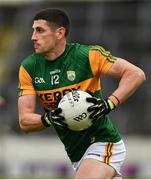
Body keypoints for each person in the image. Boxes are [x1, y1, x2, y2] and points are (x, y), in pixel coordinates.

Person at [18, 8, 145, 179]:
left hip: (103, 141)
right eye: (33, 30)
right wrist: (48, 118)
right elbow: (24, 121)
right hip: (77, 154)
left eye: (40, 30)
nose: (33, 37)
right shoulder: (29, 67)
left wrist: (109, 103)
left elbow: (136, 74)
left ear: (60, 33)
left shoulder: (87, 55)